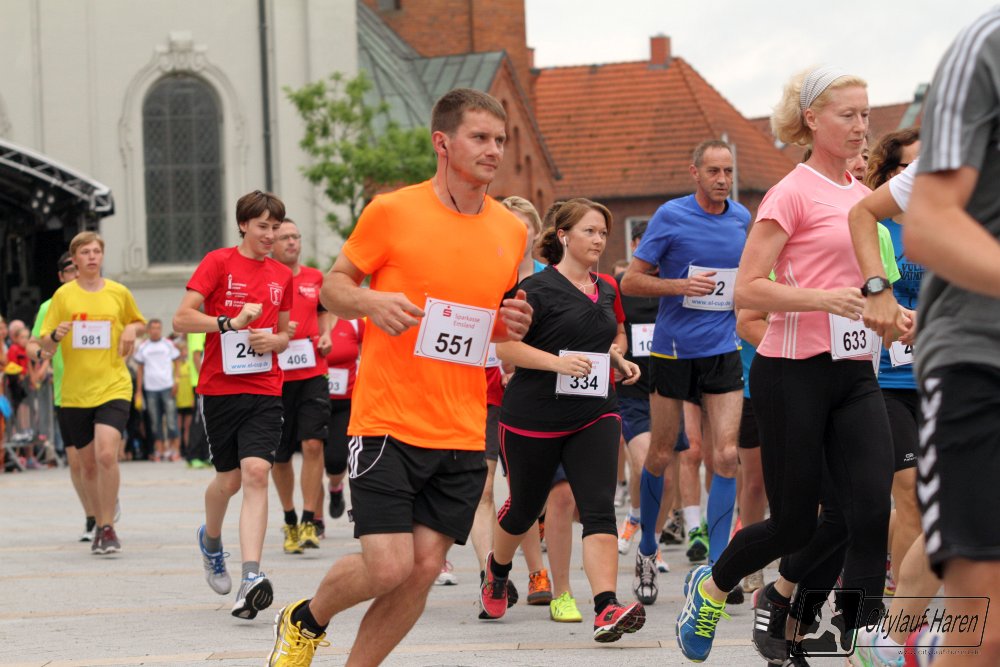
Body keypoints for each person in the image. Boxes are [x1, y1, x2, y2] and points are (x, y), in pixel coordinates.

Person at [267, 88, 532, 666]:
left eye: (499, 139)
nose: (494, 149)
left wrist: (511, 321)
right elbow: (334, 286)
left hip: (462, 427)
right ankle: (305, 619)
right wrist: (370, 301)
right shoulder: (392, 211)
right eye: (480, 137)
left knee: (424, 568)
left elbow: (491, 320)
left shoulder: (511, 231)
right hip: (388, 420)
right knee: (388, 565)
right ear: (443, 142)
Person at [676, 66, 894, 663]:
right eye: (848, 115)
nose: (861, 126)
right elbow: (746, 290)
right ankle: (712, 587)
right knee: (795, 525)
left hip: (854, 372)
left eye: (866, 114)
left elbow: (871, 289)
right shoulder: (790, 193)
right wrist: (823, 300)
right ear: (812, 120)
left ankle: (862, 635)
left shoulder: (863, 200)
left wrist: (894, 316)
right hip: (792, 371)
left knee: (868, 507)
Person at [482, 198, 646, 644]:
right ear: (563, 236)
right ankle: (497, 571)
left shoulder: (607, 288)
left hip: (594, 411)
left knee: (598, 506)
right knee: (523, 508)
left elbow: (595, 337)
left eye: (603, 233)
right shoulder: (533, 289)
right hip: (533, 417)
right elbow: (505, 348)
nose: (599, 240)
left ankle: (606, 605)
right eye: (589, 231)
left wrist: (616, 359)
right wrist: (557, 363)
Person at [898, 9, 1000, 664]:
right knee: (985, 627)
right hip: (978, 356)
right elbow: (926, 222)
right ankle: (901, 642)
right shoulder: (987, 46)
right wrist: (875, 289)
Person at [620, 139, 750, 606]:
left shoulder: (742, 218)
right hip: (673, 351)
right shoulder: (671, 216)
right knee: (661, 453)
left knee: (727, 455)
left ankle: (717, 570)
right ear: (694, 172)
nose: (722, 179)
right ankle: (647, 550)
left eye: (728, 171)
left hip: (723, 347)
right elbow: (631, 280)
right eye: (713, 171)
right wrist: (680, 285)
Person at [173, 190, 293, 619]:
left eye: (275, 227)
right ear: (243, 225)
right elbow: (182, 318)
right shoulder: (218, 262)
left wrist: (274, 340)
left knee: (257, 472)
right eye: (262, 226)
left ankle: (251, 578)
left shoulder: (282, 274)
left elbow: (285, 334)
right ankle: (210, 540)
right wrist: (229, 323)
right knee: (229, 481)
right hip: (221, 390)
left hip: (266, 388)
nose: (270, 235)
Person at [40, 232, 146, 554]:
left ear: (102, 255)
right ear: (74, 259)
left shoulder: (118, 292)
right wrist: (55, 336)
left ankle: (108, 527)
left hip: (113, 384)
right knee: (87, 466)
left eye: (96, 251)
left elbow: (138, 322)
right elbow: (44, 345)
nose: (91, 257)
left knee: (106, 454)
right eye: (85, 252)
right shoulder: (63, 296)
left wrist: (131, 329)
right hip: (75, 392)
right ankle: (99, 521)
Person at [465, 195, 548, 608]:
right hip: (485, 390)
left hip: (537, 393)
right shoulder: (481, 274)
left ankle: (536, 570)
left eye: (522, 226)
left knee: (527, 493)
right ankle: (491, 574)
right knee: (482, 490)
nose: (515, 234)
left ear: (535, 232)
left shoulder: (550, 280)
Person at [271, 219, 332, 554]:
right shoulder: (265, 277)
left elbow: (324, 312)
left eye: (296, 236)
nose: (292, 242)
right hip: (275, 377)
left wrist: (326, 334)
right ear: (272, 243)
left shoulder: (315, 278)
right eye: (285, 237)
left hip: (312, 373)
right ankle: (290, 519)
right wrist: (277, 332)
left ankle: (310, 519)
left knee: (312, 444)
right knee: (279, 455)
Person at [322, 313, 364, 522]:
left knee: (336, 460)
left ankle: (335, 486)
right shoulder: (309, 320)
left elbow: (368, 358)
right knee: (312, 455)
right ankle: (314, 520)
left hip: (346, 401)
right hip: (312, 399)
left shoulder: (356, 323)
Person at [133, 319, 182, 462]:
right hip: (151, 389)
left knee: (171, 420)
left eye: (158, 328)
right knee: (155, 421)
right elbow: (140, 369)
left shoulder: (168, 344)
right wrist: (139, 391)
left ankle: (175, 449)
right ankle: (160, 450)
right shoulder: (143, 347)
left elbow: (177, 361)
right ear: (148, 330)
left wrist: (177, 380)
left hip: (167, 386)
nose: (155, 331)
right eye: (153, 328)